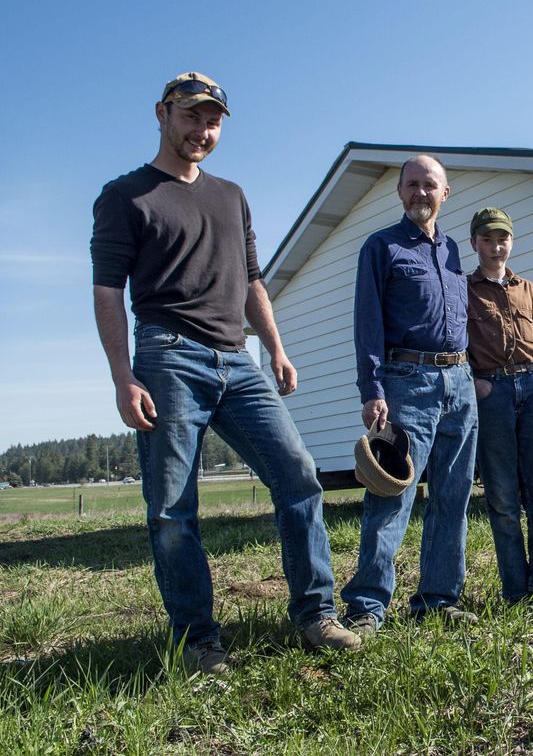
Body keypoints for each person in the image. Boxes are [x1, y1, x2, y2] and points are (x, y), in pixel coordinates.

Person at [91, 71, 359, 674]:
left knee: (298, 476)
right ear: (162, 114)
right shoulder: (125, 196)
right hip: (167, 356)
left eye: (213, 120)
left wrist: (276, 346)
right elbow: (107, 290)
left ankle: (316, 614)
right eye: (191, 116)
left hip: (238, 360)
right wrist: (122, 376)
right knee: (172, 506)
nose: (202, 130)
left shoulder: (232, 195)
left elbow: (253, 280)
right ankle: (198, 641)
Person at [342, 154, 479, 631]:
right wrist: (372, 388)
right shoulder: (381, 248)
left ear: (446, 194)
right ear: (399, 192)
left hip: (460, 385)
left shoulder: (456, 252)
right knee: (391, 495)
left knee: (453, 493)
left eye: (430, 185)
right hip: (406, 383)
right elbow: (368, 324)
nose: (421, 192)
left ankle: (438, 600)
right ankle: (367, 607)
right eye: (412, 185)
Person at [466, 208, 533, 617]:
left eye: (502, 238)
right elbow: (455, 339)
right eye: (487, 239)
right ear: (475, 243)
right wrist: (476, 381)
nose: (496, 246)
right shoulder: (464, 290)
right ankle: (515, 593)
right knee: (503, 496)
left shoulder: (528, 290)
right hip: (492, 395)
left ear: (512, 242)